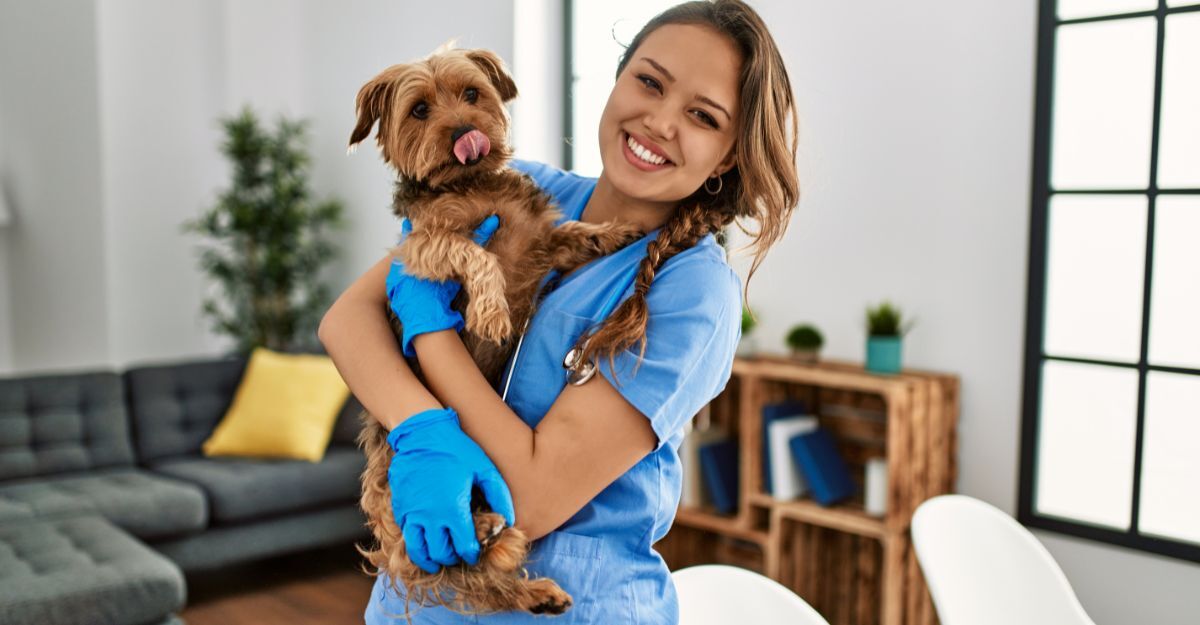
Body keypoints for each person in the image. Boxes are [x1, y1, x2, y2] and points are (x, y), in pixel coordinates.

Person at [318, 1, 799, 623]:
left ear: (730, 154)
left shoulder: (695, 292)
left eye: (702, 116)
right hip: (412, 606)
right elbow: (345, 322)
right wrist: (417, 426)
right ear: (617, 80)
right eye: (649, 81)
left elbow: (535, 496)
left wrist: (430, 333)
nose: (658, 121)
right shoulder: (517, 188)